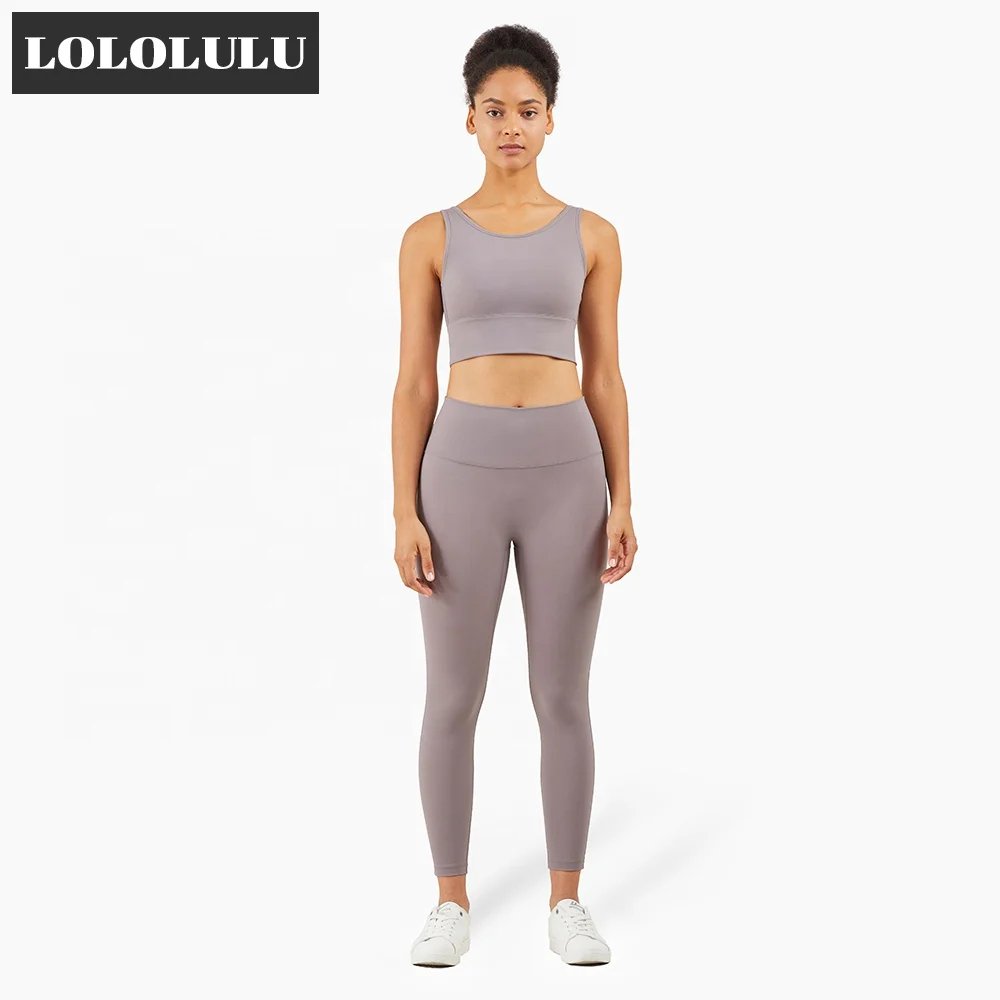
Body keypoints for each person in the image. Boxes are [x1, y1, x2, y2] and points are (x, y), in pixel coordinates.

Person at [391, 23, 637, 967]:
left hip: (567, 475)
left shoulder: (593, 235)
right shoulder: (430, 236)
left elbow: (605, 375)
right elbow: (414, 382)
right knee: (453, 695)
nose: (510, 127)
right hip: (458, 474)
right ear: (469, 119)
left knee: (561, 695)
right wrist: (403, 508)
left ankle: (567, 901)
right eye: (493, 110)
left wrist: (623, 496)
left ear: (551, 120)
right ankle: (449, 902)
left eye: (527, 111)